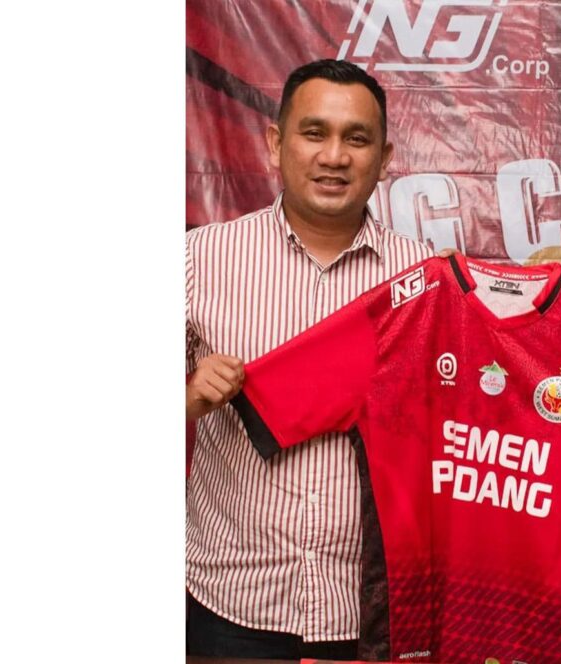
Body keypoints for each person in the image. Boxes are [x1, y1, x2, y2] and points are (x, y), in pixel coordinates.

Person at [184, 59, 433, 659]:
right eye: (314, 133)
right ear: (276, 143)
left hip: (373, 609)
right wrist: (187, 398)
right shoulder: (197, 259)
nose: (334, 156)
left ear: (385, 157)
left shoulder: (427, 278)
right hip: (231, 601)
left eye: (357, 139)